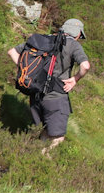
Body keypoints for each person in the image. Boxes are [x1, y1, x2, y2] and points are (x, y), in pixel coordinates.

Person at [7, 18, 91, 154]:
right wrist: (75, 79)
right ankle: (43, 164)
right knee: (57, 137)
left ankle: (34, 158)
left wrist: (27, 72)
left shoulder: (43, 39)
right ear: (77, 34)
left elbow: (12, 52)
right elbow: (85, 66)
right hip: (56, 98)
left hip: (35, 96)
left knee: (45, 132)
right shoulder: (73, 45)